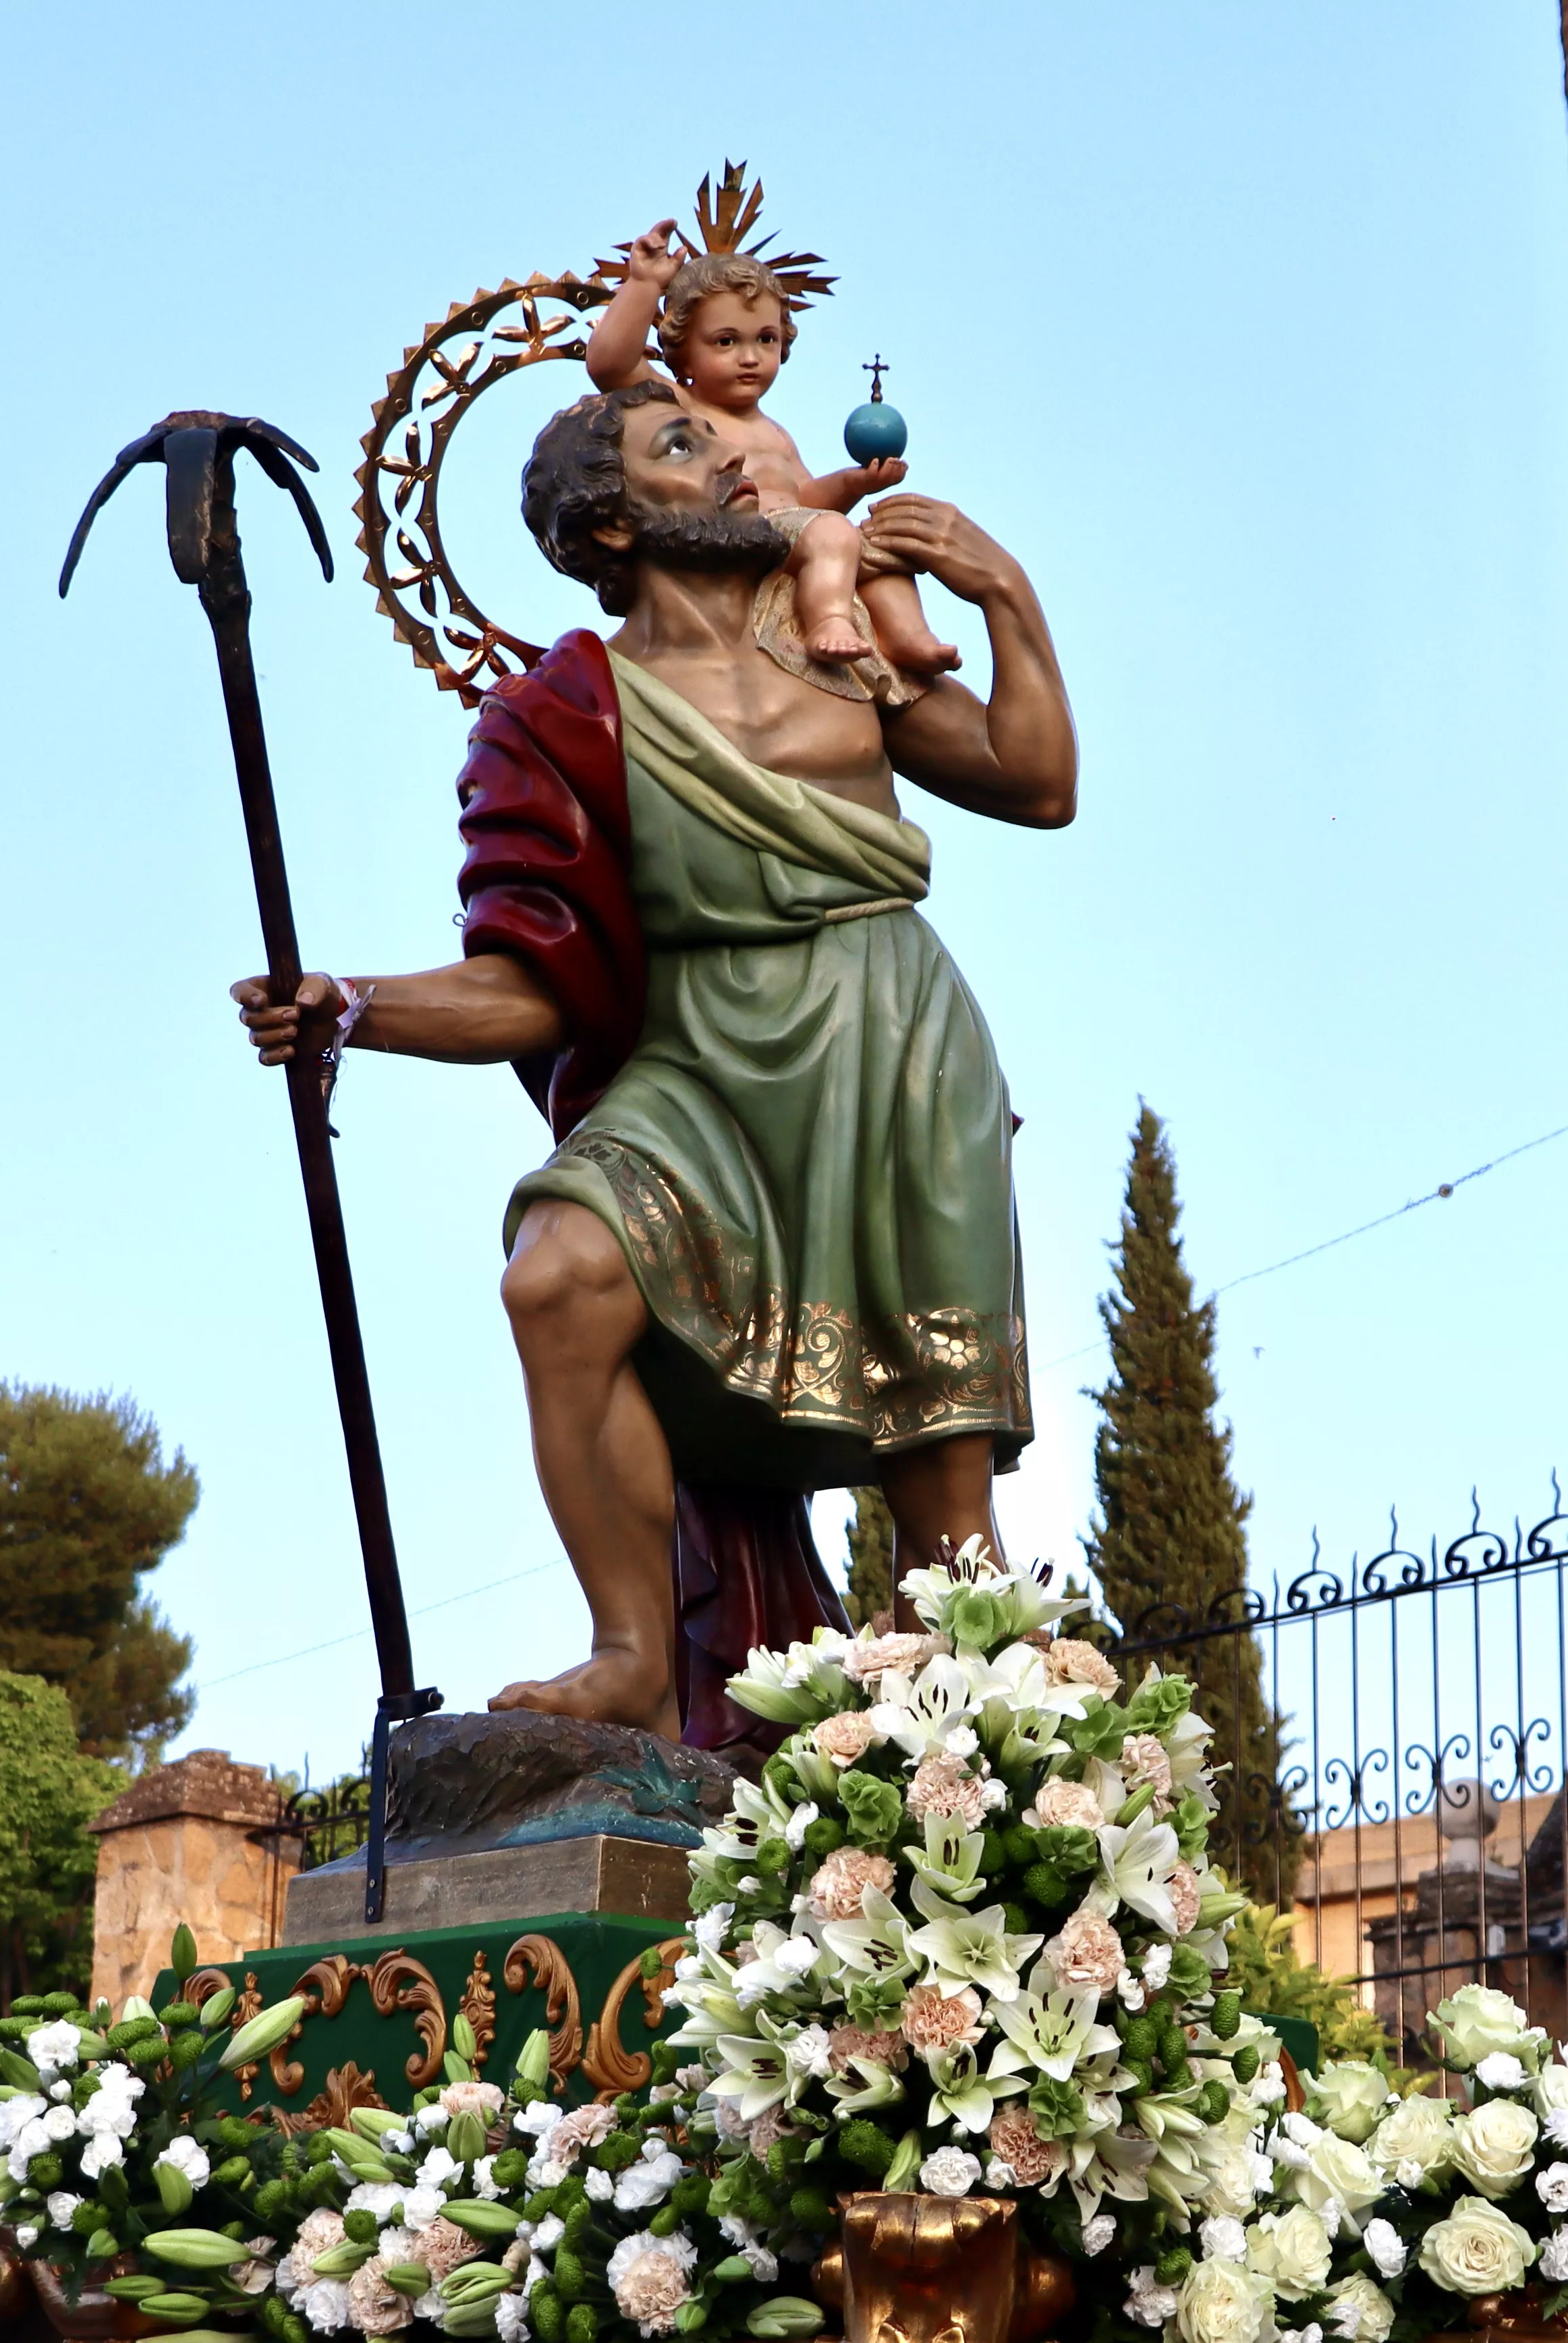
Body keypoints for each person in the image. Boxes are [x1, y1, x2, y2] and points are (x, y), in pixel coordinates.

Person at [233, 380, 1075, 1741]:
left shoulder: (839, 641)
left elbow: (1036, 782)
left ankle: (970, 1764)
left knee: (940, 1476)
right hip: (696, 1060)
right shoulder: (559, 715)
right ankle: (631, 1651)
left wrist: (1009, 599)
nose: (740, 451)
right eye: (684, 442)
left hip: (894, 1039)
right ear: (609, 520)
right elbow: (533, 985)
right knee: (556, 1277)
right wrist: (349, 1005)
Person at [582, 223, 961, 685]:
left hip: (803, 535)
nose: (750, 357)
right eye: (726, 341)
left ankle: (908, 636)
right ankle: (828, 620)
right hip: (746, 537)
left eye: (765, 339)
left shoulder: (776, 433)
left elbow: (805, 494)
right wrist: (644, 284)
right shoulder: (683, 408)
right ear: (681, 353)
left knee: (882, 550)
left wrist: (855, 483)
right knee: (833, 534)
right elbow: (610, 364)